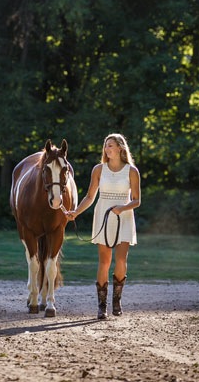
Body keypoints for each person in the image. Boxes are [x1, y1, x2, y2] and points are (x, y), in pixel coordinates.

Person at [66, 134, 141, 319]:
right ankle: (102, 306)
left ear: (120, 148)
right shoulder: (99, 169)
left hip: (123, 216)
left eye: (110, 146)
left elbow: (137, 200)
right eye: (105, 146)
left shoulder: (132, 171)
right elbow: (90, 197)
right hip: (103, 215)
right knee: (104, 262)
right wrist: (75, 212)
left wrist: (122, 208)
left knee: (121, 260)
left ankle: (117, 300)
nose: (107, 149)